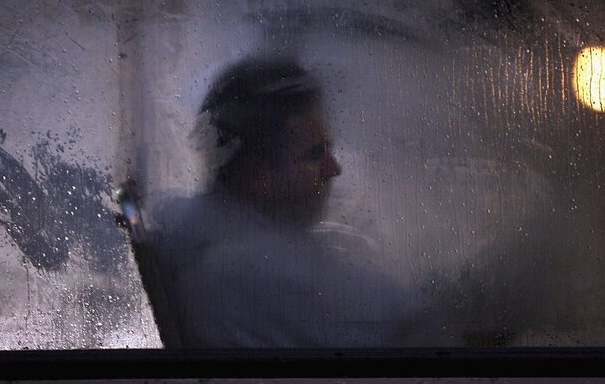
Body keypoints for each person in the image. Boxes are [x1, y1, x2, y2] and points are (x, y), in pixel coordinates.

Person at [144, 57, 441, 347]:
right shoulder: (252, 271)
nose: (334, 168)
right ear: (258, 173)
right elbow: (417, 327)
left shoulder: (188, 232)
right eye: (314, 154)